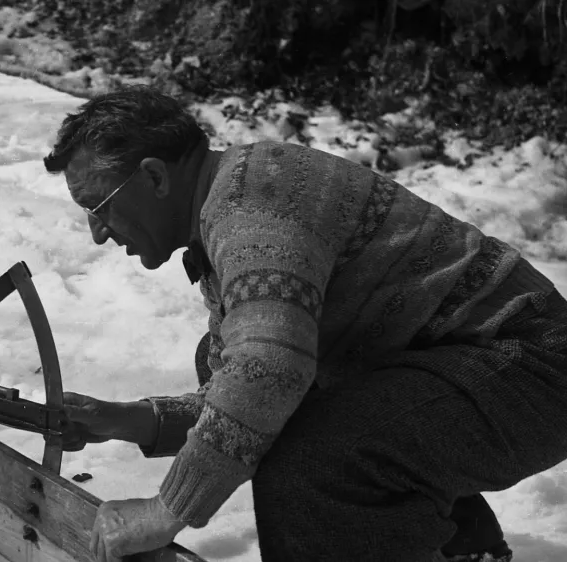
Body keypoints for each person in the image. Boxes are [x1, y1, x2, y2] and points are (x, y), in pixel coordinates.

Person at [44, 85, 567, 562]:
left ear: (155, 176)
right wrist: (131, 420)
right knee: (221, 359)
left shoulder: (253, 211)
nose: (97, 233)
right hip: (463, 361)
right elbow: (248, 386)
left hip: (533, 360)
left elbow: (267, 374)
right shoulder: (228, 203)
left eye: (99, 207)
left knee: (314, 466)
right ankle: (461, 548)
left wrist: (166, 510)